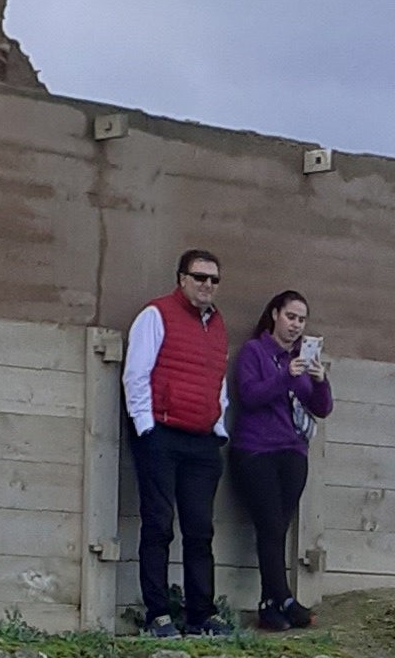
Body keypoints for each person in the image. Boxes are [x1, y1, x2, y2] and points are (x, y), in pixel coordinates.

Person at [123, 242, 233, 635]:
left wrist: (218, 426)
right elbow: (136, 374)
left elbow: (216, 379)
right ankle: (158, 614)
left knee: (200, 530)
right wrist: (146, 428)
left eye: (214, 279)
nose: (207, 285)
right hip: (162, 434)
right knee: (158, 525)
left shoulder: (217, 325)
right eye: (200, 277)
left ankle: (201, 614)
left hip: (202, 440)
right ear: (182, 280)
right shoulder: (156, 315)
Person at [228, 287, 332, 632]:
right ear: (274, 314)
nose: (296, 325)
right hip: (256, 450)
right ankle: (284, 598)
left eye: (302, 320)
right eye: (290, 317)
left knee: (277, 528)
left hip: (292, 452)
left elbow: (322, 408)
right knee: (269, 524)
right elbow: (250, 395)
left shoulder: (303, 358)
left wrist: (319, 381)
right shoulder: (255, 352)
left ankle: (270, 605)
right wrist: (285, 375)